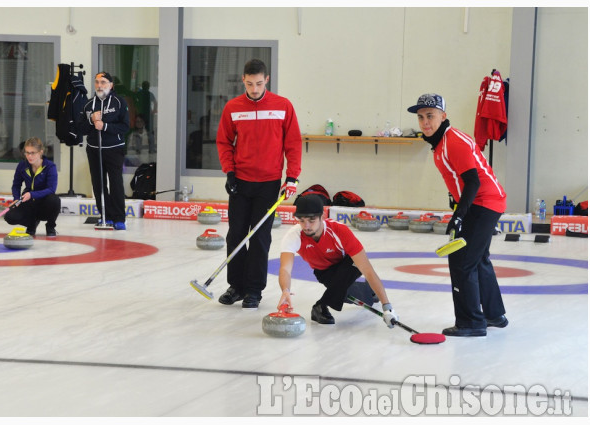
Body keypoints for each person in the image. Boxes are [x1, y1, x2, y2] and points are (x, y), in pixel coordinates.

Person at [407, 93, 508, 337]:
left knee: (462, 262)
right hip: (480, 203)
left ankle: (472, 322)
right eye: (421, 118)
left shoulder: (454, 141)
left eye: (430, 116)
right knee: (478, 258)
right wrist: (458, 208)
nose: (425, 122)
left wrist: (459, 215)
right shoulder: (440, 143)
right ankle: (494, 314)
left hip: (484, 203)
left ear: (443, 115)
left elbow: (472, 182)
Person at [216, 59, 302, 309]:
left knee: (260, 237)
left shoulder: (282, 106)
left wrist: (292, 177)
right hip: (241, 182)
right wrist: (229, 173)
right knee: (236, 235)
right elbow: (224, 142)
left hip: (269, 183)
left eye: (259, 83)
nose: (254, 89)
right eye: (250, 83)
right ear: (243, 80)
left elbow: (293, 144)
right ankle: (237, 286)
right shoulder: (233, 107)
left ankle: (254, 290)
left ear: (267, 81)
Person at [277, 195, 398, 327]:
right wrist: (285, 290)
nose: (306, 226)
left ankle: (320, 306)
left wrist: (387, 307)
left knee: (342, 283)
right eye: (302, 220)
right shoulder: (294, 235)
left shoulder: (340, 231)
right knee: (343, 294)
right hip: (324, 271)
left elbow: (367, 270)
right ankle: (370, 292)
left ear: (322, 216)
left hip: (348, 265)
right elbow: (285, 269)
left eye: (311, 220)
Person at [78, 71, 130, 230]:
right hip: (94, 150)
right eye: (97, 82)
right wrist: (92, 121)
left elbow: (125, 127)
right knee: (98, 184)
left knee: (116, 183)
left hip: (114, 149)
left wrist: (104, 126)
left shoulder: (119, 102)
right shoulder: (88, 105)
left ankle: (119, 218)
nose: (100, 85)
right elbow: (82, 129)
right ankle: (105, 216)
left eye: (103, 82)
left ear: (111, 85)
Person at [5, 137, 61, 237]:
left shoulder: (50, 166)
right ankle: (32, 224)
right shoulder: (22, 166)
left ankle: (50, 226)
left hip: (44, 201)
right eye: (27, 152)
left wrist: (32, 194)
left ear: (40, 152)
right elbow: (16, 185)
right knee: (9, 217)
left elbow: (51, 189)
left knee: (55, 200)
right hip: (29, 201)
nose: (29, 156)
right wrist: (16, 199)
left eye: (33, 153)